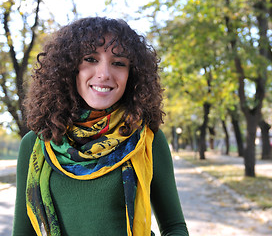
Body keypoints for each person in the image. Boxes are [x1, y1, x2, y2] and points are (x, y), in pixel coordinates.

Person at [12, 17, 189, 236]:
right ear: (69, 68)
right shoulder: (35, 145)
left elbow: (175, 227)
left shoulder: (146, 139)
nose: (104, 74)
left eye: (118, 63)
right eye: (90, 59)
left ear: (131, 74)